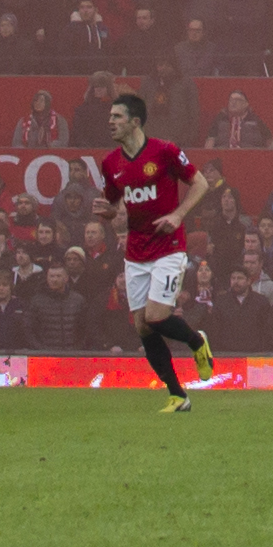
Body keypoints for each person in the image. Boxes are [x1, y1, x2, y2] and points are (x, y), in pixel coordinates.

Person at [98, 89, 226, 405]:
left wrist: (178, 214)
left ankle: (197, 342)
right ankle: (177, 396)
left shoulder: (165, 151)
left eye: (117, 117)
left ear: (135, 121)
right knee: (142, 326)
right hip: (135, 254)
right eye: (110, 116)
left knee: (156, 316)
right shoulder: (111, 162)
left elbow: (201, 183)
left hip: (168, 248)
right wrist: (110, 213)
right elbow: (116, 205)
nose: (110, 121)